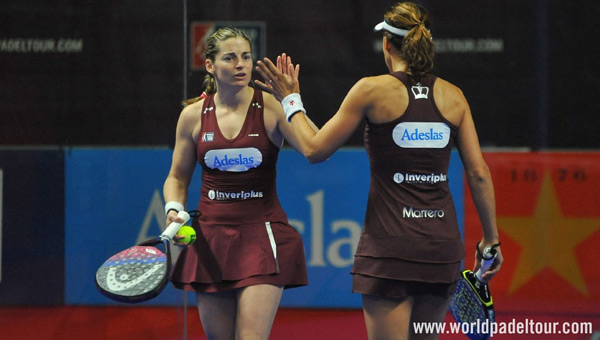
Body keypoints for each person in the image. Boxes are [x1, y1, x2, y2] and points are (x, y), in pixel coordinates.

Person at [255, 2, 503, 339]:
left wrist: (290, 99)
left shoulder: (370, 90)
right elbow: (479, 174)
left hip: (390, 252)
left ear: (387, 44)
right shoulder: (454, 97)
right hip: (440, 252)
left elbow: (314, 150)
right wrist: (491, 240)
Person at [163, 26, 317, 340]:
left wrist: (292, 100)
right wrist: (174, 209)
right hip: (209, 240)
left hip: (262, 236)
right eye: (230, 58)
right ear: (210, 65)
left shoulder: (271, 107)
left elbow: (314, 147)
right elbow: (177, 177)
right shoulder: (192, 116)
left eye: (246, 57)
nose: (241, 65)